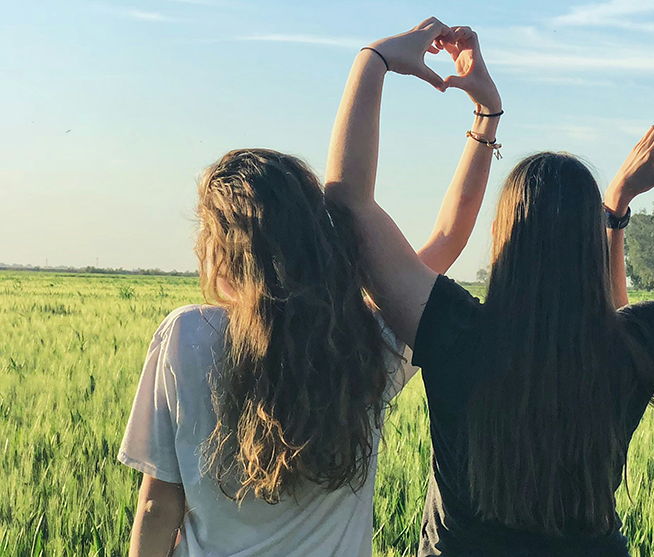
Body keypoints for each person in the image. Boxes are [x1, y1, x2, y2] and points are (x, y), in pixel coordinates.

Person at [321, 19, 654, 556]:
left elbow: (349, 205)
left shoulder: (452, 329)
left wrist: (373, 59)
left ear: (502, 239)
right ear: (588, 245)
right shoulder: (633, 345)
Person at [118, 21, 498, 556]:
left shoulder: (185, 337)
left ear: (225, 249)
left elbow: (159, 507)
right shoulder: (363, 345)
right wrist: (484, 115)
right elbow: (447, 238)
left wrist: (375, 59)